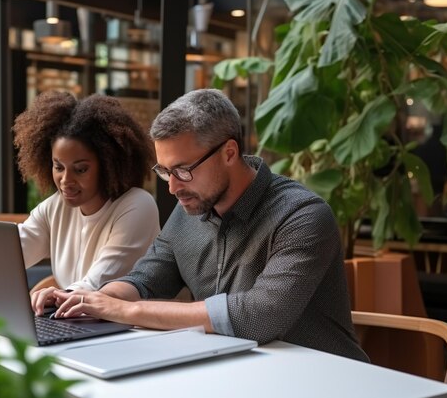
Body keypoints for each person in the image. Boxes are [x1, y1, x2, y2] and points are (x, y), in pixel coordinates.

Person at [45, 88, 369, 362]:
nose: (172, 187)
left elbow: (257, 316)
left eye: (183, 170)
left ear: (229, 152)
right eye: (165, 171)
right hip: (239, 374)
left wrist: (123, 311)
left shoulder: (302, 216)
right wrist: (88, 301)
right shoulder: (190, 207)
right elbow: (145, 279)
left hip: (324, 380)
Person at [14, 90, 160, 308]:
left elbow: (98, 284)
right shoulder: (55, 207)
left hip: (131, 331)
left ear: (108, 164)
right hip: (75, 320)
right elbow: (12, 253)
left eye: (80, 169)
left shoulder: (137, 205)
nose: (65, 180)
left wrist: (58, 295)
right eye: (58, 167)